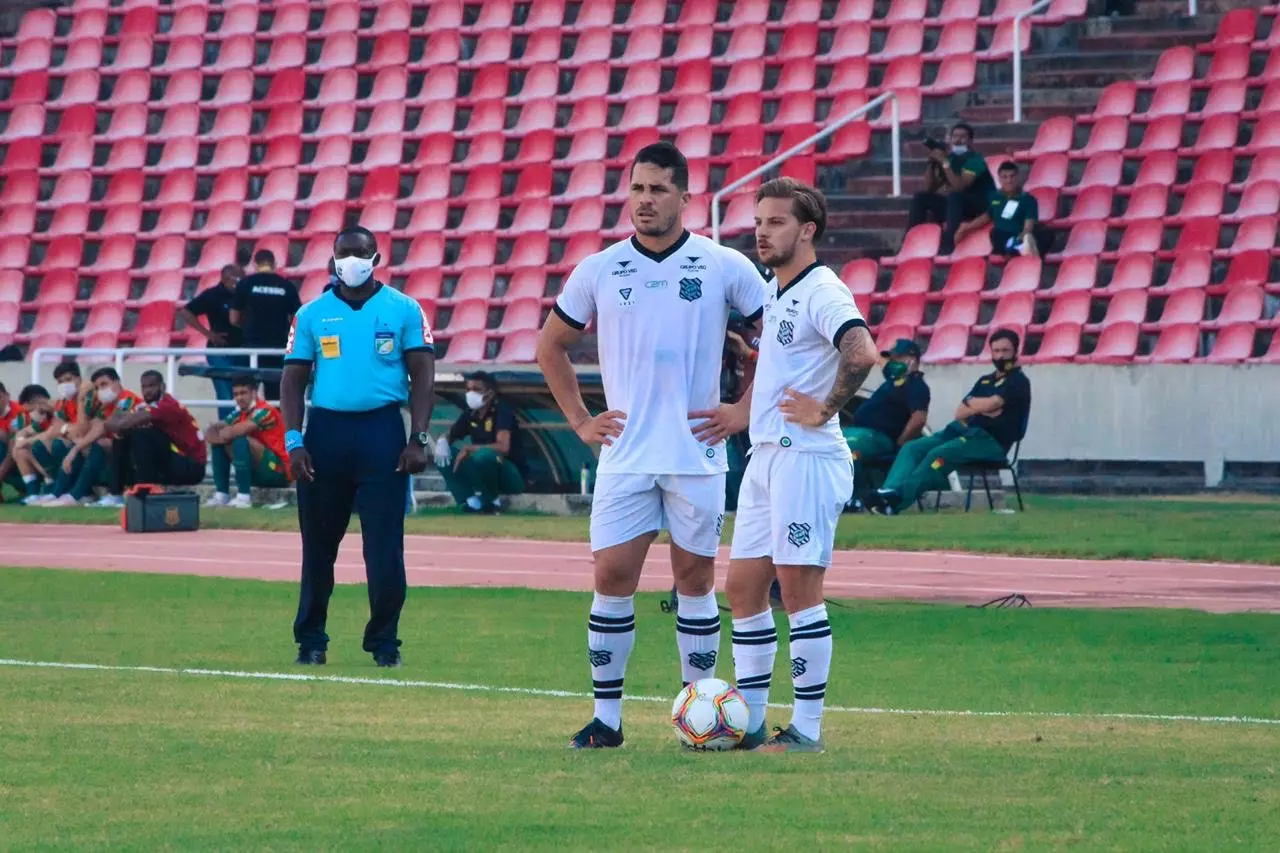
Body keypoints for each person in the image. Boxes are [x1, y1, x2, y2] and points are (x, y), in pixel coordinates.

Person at [537, 141, 767, 749]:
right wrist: (582, 422)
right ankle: (607, 721)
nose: (644, 200)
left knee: (693, 580)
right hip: (626, 454)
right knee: (612, 576)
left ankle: (696, 713)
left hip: (697, 451)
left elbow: (782, 336)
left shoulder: (723, 266)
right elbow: (549, 347)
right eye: (637, 189)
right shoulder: (601, 268)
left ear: (685, 197)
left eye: (658, 189)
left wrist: (743, 408)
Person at [702, 178, 876, 753]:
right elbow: (783, 366)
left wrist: (825, 408)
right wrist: (742, 411)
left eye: (775, 222)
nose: (760, 231)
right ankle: (748, 723)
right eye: (758, 221)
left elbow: (862, 351)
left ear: (807, 231)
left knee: (799, 591)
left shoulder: (823, 290)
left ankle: (806, 729)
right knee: (744, 588)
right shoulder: (779, 291)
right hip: (766, 457)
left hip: (806, 458)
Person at [281, 226, 435, 668]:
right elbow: (292, 381)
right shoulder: (310, 314)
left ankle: (384, 642)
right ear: (332, 259)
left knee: (384, 549)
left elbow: (423, 376)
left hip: (381, 434)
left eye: (360, 252)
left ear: (376, 257)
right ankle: (311, 640)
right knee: (318, 546)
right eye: (344, 253)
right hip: (325, 435)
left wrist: (417, 438)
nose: (352, 260)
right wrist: (294, 442)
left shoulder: (404, 309)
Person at [871, 329, 1032, 515]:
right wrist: (985, 407)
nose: (1000, 356)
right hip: (960, 430)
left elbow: (993, 402)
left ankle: (896, 500)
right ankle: (889, 491)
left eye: (1005, 351)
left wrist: (977, 405)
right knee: (913, 448)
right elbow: (960, 412)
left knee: (938, 455)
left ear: (1015, 351)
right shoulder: (985, 381)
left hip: (990, 441)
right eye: (996, 351)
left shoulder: (1018, 382)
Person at [845, 339, 931, 506]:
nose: (893, 362)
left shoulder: (916, 385)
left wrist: (901, 442)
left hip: (878, 437)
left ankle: (856, 499)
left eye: (898, 358)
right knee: (824, 447)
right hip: (859, 432)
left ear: (911, 359)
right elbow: (881, 360)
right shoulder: (893, 380)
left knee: (847, 452)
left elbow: (919, 418)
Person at [43, 368, 143, 507]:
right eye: (97, 387)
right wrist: (77, 443)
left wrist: (76, 446)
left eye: (104, 384)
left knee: (95, 445)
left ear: (117, 382)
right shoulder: (105, 406)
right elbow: (88, 429)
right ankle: (64, 493)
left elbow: (98, 428)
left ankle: (76, 494)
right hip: (117, 452)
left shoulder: (126, 398)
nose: (101, 390)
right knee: (72, 444)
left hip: (136, 453)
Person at [434, 370, 524, 513]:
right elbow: (451, 434)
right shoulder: (470, 414)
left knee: (485, 455)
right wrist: (442, 440)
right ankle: (472, 502)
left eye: (476, 390)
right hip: (481, 472)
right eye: (468, 389)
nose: (470, 394)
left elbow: (503, 447)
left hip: (509, 475)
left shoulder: (502, 412)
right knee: (444, 454)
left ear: (490, 393)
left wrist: (471, 449)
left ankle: (493, 501)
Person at [104, 371, 207, 496]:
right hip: (175, 461)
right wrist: (119, 425)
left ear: (162, 387)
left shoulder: (167, 406)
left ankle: (146, 488)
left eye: (152, 386)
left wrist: (121, 423)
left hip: (192, 466)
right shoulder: (147, 406)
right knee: (122, 437)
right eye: (144, 387)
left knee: (140, 434)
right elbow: (109, 423)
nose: (147, 391)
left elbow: (121, 424)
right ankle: (115, 494)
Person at [906, 124, 995, 254]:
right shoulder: (950, 159)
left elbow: (960, 186)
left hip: (979, 206)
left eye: (963, 137)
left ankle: (949, 245)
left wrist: (944, 163)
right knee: (921, 197)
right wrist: (932, 163)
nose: (958, 140)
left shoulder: (976, 160)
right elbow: (929, 188)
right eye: (955, 137)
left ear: (971, 141)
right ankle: (910, 242)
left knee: (955, 196)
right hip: (957, 206)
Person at [206, 375, 292, 508]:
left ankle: (244, 497)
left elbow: (236, 431)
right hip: (259, 472)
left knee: (240, 439)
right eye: (236, 394)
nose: (239, 398)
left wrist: (223, 434)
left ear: (253, 392)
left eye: (243, 393)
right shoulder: (238, 414)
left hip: (278, 471)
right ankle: (222, 494)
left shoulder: (266, 411)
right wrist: (221, 435)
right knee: (221, 443)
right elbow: (209, 434)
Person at [232, 250, 301, 403]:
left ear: (255, 265)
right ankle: (276, 426)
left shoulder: (245, 284)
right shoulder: (287, 286)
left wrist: (248, 326)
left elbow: (234, 318)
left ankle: (249, 425)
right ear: (275, 264)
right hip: (277, 348)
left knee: (246, 395)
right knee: (276, 397)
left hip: (251, 346)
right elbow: (296, 320)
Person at [180, 264, 244, 419]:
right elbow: (186, 311)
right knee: (225, 395)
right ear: (225, 278)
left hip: (243, 350)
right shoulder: (212, 295)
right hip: (219, 351)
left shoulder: (245, 294)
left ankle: (243, 434)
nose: (241, 282)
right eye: (238, 279)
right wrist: (208, 334)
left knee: (244, 393)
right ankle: (226, 434)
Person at [954, 161, 1053, 259]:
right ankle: (1021, 250)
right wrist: (966, 228)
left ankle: (1021, 248)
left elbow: (1028, 225)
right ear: (999, 179)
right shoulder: (994, 197)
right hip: (1002, 234)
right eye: (1005, 177)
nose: (1009, 180)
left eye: (1012, 176)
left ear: (1017, 177)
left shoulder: (1028, 200)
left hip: (1019, 233)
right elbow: (987, 216)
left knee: (1046, 233)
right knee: (995, 233)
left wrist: (1022, 236)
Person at [0, 384, 54, 501]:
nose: (27, 415)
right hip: (32, 458)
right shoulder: (22, 418)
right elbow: (19, 438)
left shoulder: (54, 414)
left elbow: (49, 433)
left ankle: (48, 487)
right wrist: (20, 440)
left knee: (37, 446)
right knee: (19, 450)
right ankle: (32, 493)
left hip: (56, 457)